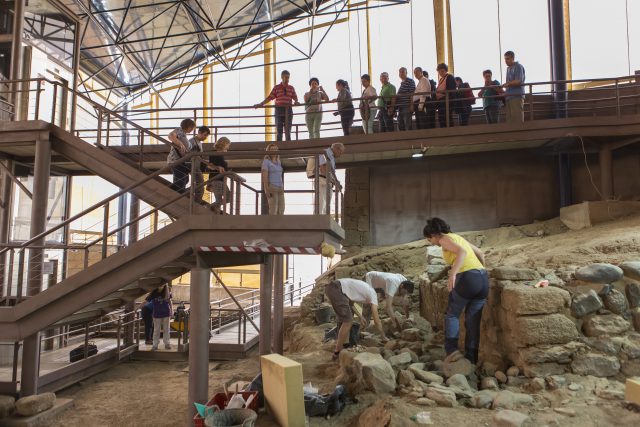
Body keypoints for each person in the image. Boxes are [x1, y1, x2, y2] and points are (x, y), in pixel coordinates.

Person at [422, 217, 488, 364]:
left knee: (452, 315)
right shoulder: (458, 237)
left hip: (467, 278)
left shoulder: (443, 239)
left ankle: (452, 353)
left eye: (429, 240)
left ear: (433, 235)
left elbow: (462, 253)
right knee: (472, 322)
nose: (432, 243)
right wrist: (480, 271)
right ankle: (471, 359)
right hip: (482, 280)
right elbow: (481, 254)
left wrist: (453, 274)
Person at [325, 278, 388, 360]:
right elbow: (376, 320)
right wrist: (383, 336)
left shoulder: (364, 290)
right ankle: (337, 352)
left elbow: (350, 304)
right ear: (379, 294)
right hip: (337, 289)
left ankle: (344, 344)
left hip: (332, 288)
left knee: (346, 318)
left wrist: (360, 317)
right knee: (348, 321)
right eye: (379, 300)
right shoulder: (373, 294)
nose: (377, 302)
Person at [255, 70, 299, 141]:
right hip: (279, 109)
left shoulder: (291, 88)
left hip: (288, 109)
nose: (287, 79)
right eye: (285, 77)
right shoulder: (277, 87)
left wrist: (296, 102)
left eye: (288, 77)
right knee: (279, 130)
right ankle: (279, 148)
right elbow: (270, 97)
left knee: (288, 131)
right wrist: (261, 104)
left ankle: (288, 147)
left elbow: (295, 97)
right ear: (282, 77)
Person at [309, 142, 345, 214]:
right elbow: (323, 169)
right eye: (341, 152)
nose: (340, 155)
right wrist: (334, 181)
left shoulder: (331, 156)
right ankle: (317, 222)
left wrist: (334, 181)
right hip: (323, 181)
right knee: (320, 205)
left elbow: (329, 171)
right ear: (337, 149)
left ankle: (322, 223)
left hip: (327, 182)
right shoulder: (326, 153)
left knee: (325, 207)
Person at [167, 118, 196, 193]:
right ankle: (177, 196)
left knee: (185, 179)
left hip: (181, 161)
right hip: (176, 160)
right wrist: (181, 144)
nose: (192, 130)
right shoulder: (179, 130)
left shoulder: (183, 134)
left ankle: (172, 192)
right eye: (192, 128)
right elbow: (170, 135)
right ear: (189, 127)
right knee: (181, 181)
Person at [206, 137, 231, 213]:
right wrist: (218, 167)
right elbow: (210, 166)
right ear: (224, 144)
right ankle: (209, 208)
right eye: (227, 145)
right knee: (219, 200)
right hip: (216, 179)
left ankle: (211, 209)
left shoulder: (221, 154)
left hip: (221, 180)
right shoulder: (214, 152)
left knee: (228, 198)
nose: (228, 147)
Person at [187, 126, 211, 204]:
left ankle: (195, 202)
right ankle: (195, 203)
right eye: (204, 135)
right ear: (199, 132)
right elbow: (188, 155)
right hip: (193, 166)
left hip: (196, 166)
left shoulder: (198, 142)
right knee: (200, 186)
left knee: (199, 185)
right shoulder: (192, 142)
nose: (205, 137)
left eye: (206, 136)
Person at [502, 51, 525, 124]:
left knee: (517, 117)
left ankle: (519, 134)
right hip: (509, 96)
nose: (506, 61)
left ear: (513, 58)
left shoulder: (518, 66)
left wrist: (508, 84)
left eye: (507, 59)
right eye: (505, 59)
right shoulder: (508, 68)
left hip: (516, 95)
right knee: (509, 118)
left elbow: (518, 81)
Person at [261, 143, 285, 215]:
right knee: (273, 210)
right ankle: (272, 226)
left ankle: (279, 226)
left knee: (281, 210)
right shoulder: (266, 162)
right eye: (272, 150)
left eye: (275, 149)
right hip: (272, 188)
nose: (274, 151)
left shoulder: (279, 162)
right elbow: (264, 176)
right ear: (268, 151)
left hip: (280, 188)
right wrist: (266, 189)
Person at [151, 284, 173, 351]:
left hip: (166, 313)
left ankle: (167, 343)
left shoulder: (167, 292)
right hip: (157, 314)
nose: (161, 287)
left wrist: (172, 311)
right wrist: (137, 308)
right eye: (160, 285)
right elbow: (146, 301)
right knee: (156, 330)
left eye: (163, 286)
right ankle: (155, 345)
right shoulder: (153, 293)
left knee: (166, 329)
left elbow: (170, 302)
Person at [435, 63, 457, 128]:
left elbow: (451, 89)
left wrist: (441, 92)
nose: (440, 72)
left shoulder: (450, 77)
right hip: (441, 102)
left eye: (442, 71)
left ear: (446, 70)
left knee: (447, 117)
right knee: (441, 118)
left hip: (447, 101)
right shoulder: (441, 79)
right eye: (439, 71)